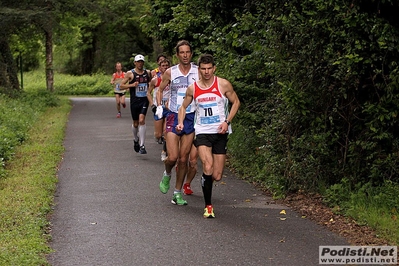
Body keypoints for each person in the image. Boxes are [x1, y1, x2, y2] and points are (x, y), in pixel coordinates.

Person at [177, 53, 240, 218]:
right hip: (203, 131)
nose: (206, 72)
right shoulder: (193, 88)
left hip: (220, 132)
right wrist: (181, 121)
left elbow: (236, 102)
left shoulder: (223, 84)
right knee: (207, 166)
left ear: (214, 68)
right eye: (203, 69)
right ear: (199, 70)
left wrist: (227, 121)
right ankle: (208, 206)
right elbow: (183, 107)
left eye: (209, 68)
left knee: (217, 175)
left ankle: (206, 182)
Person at [157, 40, 198, 205]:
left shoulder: (198, 71)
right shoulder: (170, 72)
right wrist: (160, 106)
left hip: (191, 116)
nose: (185, 55)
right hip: (174, 115)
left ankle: (177, 193)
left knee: (183, 159)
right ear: (177, 55)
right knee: (173, 157)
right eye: (182, 52)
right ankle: (167, 174)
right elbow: (160, 90)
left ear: (191, 54)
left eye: (188, 52)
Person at [120, 54, 152, 154]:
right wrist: (132, 85)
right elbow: (121, 86)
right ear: (135, 63)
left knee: (142, 119)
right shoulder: (130, 74)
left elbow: (151, 83)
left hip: (144, 100)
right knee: (135, 123)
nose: (140, 63)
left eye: (141, 61)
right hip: (134, 101)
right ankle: (136, 139)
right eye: (138, 62)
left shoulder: (147, 73)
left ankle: (142, 145)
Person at [147, 58, 171, 161]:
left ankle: (164, 151)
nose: (165, 67)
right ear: (159, 67)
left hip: (169, 107)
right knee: (158, 134)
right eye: (163, 66)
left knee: (167, 131)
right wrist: (152, 104)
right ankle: (158, 137)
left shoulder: (172, 79)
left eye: (167, 66)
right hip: (159, 107)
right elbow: (148, 92)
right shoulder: (155, 80)